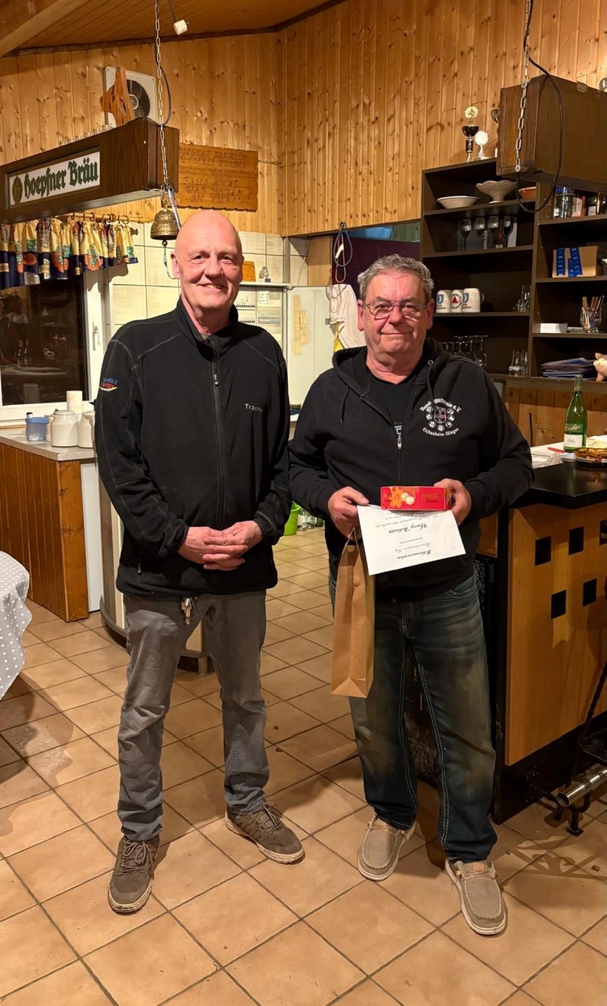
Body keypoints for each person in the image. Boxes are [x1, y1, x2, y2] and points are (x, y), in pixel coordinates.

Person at [289, 254, 532, 936]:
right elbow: (296, 467)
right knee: (372, 717)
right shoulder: (331, 390)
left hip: (447, 584)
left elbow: (515, 464)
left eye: (407, 306)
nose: (393, 318)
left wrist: (472, 495)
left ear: (428, 314)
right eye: (380, 306)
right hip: (362, 586)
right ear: (362, 317)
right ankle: (392, 813)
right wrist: (325, 499)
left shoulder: (467, 384)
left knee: (466, 725)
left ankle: (470, 849)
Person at [96, 210, 302, 916]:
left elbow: (283, 464)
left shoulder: (264, 354)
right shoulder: (134, 347)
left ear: (240, 269)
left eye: (228, 258)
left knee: (245, 698)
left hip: (241, 568)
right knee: (144, 709)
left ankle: (247, 801)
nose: (214, 269)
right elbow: (118, 464)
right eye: (201, 256)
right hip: (160, 571)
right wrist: (175, 536)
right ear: (175, 265)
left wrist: (261, 526)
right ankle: (139, 830)